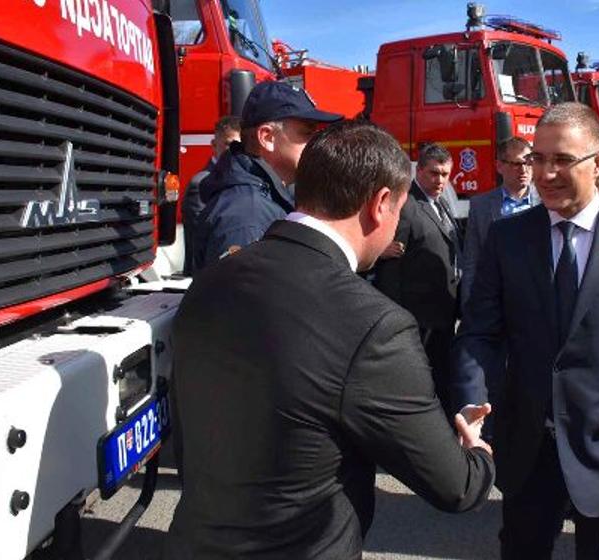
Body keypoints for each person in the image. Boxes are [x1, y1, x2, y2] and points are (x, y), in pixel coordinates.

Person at [165, 120, 495, 560]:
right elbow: (457, 486)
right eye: (399, 211)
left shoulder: (212, 280)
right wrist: (477, 450)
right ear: (380, 204)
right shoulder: (375, 325)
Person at [452, 102, 599, 560]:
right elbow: (480, 333)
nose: (545, 173)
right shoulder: (507, 238)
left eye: (562, 159)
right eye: (538, 158)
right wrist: (470, 402)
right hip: (528, 450)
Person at [192, 81, 342, 271]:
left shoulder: (266, 200)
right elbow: (243, 290)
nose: (317, 144)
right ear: (267, 137)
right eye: (307, 134)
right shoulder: (247, 218)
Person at [373, 143, 462, 412]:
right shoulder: (407, 206)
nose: (440, 180)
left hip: (443, 313)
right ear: (419, 171)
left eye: (445, 174)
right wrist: (397, 317)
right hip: (417, 318)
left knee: (442, 380)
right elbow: (391, 265)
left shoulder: (442, 203)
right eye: (434, 173)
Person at [461, 136, 539, 305]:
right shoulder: (480, 206)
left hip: (537, 300)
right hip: (497, 300)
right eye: (517, 164)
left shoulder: (546, 203)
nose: (524, 170)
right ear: (499, 166)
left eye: (529, 163)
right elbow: (471, 259)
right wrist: (468, 305)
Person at [182, 115, 241, 275]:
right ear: (214, 146)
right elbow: (204, 240)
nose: (234, 151)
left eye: (239, 145)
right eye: (228, 144)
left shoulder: (239, 180)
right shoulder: (200, 184)